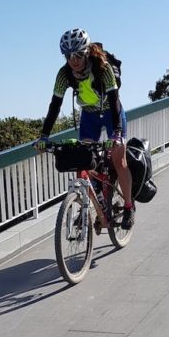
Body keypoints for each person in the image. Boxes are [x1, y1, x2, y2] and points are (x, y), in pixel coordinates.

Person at [36, 28, 136, 230]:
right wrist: (44, 136)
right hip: (89, 116)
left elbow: (114, 100)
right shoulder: (64, 74)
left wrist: (116, 133)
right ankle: (98, 203)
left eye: (78, 54)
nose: (74, 60)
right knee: (84, 162)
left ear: (87, 51)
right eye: (68, 56)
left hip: (111, 113)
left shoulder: (102, 67)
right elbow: (55, 105)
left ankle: (128, 206)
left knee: (118, 159)